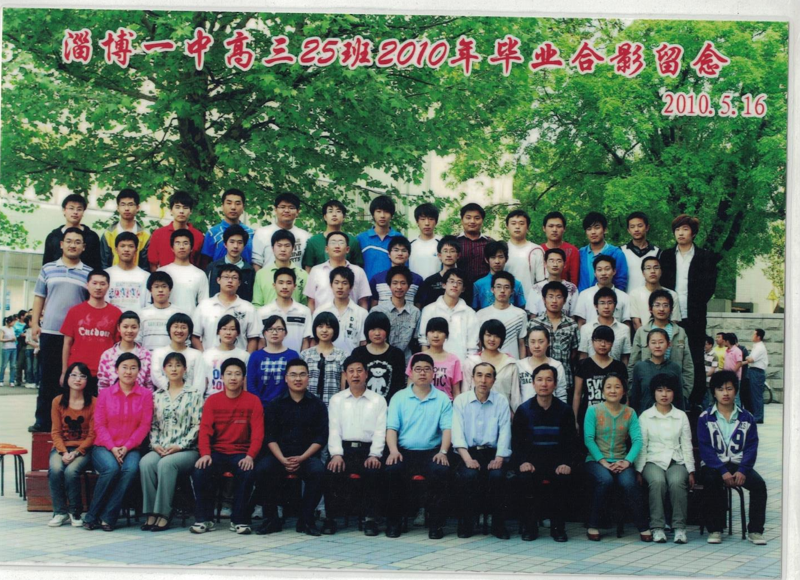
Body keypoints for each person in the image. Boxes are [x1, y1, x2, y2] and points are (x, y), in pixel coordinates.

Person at [255, 359, 328, 536]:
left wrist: (302, 458)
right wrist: (282, 459)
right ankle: (271, 519)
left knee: (318, 471)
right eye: (293, 375)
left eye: (302, 374)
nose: (298, 379)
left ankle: (306, 519)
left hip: (306, 456)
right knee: (263, 469)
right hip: (279, 455)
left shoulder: (317, 405)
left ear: (308, 378)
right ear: (286, 378)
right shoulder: (275, 404)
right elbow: (270, 436)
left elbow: (321, 437)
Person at [384, 353, 453, 540]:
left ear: (433, 373)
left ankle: (436, 525)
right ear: (411, 373)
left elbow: (447, 429)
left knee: (441, 470)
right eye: (418, 369)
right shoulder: (399, 397)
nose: (422, 373)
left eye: (426, 369)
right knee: (392, 470)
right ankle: (394, 523)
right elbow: (391, 428)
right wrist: (393, 451)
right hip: (404, 452)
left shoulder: (442, 399)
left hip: (432, 452)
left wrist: (443, 452)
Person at [191, 358, 263, 535]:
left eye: (237, 374)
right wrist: (205, 454)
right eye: (229, 374)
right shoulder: (212, 401)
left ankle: (239, 520)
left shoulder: (253, 401)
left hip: (241, 453)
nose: (233, 378)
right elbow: (205, 431)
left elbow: (258, 433)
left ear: (243, 378)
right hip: (217, 452)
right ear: (222, 377)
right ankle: (204, 519)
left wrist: (250, 456)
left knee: (247, 472)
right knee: (200, 470)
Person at [30, 227, 92, 432]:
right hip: (50, 332)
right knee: (47, 378)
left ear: (84, 247)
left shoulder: (88, 273)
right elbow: (39, 296)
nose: (73, 245)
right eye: (69, 241)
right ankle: (43, 421)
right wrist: (35, 323)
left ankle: (69, 422)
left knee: (72, 380)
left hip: (76, 336)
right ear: (61, 244)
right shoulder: (48, 269)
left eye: (77, 242)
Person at [83, 353, 154, 531]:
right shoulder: (105, 394)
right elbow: (99, 425)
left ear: (139, 371)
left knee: (130, 470)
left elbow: (144, 426)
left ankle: (108, 517)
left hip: (132, 448)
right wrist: (113, 447)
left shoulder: (146, 395)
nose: (128, 372)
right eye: (124, 367)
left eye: (133, 368)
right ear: (116, 370)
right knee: (111, 469)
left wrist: (127, 447)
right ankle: (92, 515)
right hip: (104, 447)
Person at [698, 371, 768, 545]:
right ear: (714, 392)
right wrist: (722, 470)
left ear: (735, 391)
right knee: (711, 480)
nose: (725, 393)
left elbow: (751, 446)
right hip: (714, 465)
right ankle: (715, 529)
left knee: (759, 485)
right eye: (720, 389)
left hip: (738, 464)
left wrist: (743, 469)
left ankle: (755, 531)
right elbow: (705, 448)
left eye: (729, 388)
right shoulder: (705, 417)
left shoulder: (747, 417)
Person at [323, 355, 387, 536]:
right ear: (345, 375)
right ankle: (331, 518)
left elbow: (380, 430)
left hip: (368, 450)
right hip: (344, 449)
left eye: (359, 371)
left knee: (374, 472)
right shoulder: (337, 399)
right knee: (331, 470)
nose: (355, 375)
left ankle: (370, 519)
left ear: (366, 374)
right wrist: (336, 454)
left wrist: (375, 454)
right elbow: (334, 429)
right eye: (351, 371)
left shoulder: (378, 400)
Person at [139, 352, 204, 532]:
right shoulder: (157, 395)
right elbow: (153, 425)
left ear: (185, 369)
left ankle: (164, 513)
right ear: (164, 369)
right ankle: (151, 512)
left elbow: (197, 425)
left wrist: (180, 446)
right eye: (169, 365)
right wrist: (155, 445)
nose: (174, 369)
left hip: (187, 450)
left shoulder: (194, 394)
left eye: (178, 365)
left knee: (166, 464)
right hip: (161, 447)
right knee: (146, 463)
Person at [583, 373, 651, 542]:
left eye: (617, 387)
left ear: (624, 391)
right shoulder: (593, 411)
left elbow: (637, 440)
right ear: (602, 391)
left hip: (621, 460)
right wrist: (603, 461)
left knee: (629, 483)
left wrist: (627, 461)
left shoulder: (630, 413)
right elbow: (588, 439)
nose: (612, 390)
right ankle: (593, 525)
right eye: (608, 387)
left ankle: (643, 526)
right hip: (596, 460)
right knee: (605, 480)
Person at [513, 364, 577, 542]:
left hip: (556, 463)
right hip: (532, 463)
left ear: (555, 384)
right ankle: (530, 527)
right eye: (539, 380)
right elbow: (517, 443)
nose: (544, 384)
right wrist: (523, 462)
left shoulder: (565, 411)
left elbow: (571, 442)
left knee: (563, 479)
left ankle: (558, 528)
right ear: (533, 383)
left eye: (549, 380)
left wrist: (566, 463)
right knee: (525, 479)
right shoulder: (524, 410)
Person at [660, 214, 719, 405]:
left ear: (693, 233)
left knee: (695, 358)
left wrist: (696, 304)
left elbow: (709, 287)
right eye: (677, 229)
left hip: (694, 316)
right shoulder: (666, 256)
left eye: (685, 229)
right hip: (670, 316)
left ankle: (695, 401)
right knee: (668, 355)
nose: (680, 233)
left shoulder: (705, 257)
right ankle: (668, 397)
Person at [453, 362, 512, 539]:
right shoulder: (461, 400)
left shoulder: (501, 401)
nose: (483, 380)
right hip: (468, 452)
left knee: (498, 476)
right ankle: (467, 523)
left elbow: (505, 431)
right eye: (479, 375)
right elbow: (457, 433)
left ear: (494, 380)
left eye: (488, 376)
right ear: (473, 378)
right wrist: (467, 459)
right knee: (469, 476)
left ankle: (498, 525)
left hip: (493, 453)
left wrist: (500, 457)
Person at [634, 373, 695, 544]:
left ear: (674, 393)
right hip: (652, 461)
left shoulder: (681, 416)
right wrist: (638, 470)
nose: (664, 394)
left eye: (668, 390)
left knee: (677, 482)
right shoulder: (645, 416)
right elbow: (642, 445)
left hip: (676, 460)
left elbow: (686, 445)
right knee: (658, 482)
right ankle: (657, 527)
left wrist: (691, 470)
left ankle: (679, 528)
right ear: (654, 392)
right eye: (660, 390)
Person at [47, 362, 95, 528]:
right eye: (73, 375)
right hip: (62, 448)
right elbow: (56, 432)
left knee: (71, 471)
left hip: (83, 449)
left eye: (82, 376)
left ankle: (75, 511)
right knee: (55, 469)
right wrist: (63, 452)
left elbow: (92, 435)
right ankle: (60, 512)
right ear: (67, 378)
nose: (77, 379)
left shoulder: (94, 402)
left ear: (87, 380)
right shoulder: (58, 401)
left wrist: (76, 452)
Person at [60, 270, 123, 395]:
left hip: (105, 374)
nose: (98, 287)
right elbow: (67, 343)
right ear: (87, 285)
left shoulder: (116, 313)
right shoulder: (75, 311)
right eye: (94, 283)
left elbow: (118, 346)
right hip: (78, 373)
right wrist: (64, 372)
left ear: (108, 286)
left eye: (102, 284)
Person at [628, 289, 694, 391]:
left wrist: (685, 392)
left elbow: (688, 365)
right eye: (657, 305)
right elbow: (633, 363)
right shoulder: (642, 332)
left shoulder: (680, 332)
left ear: (671, 309)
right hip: (647, 388)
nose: (661, 309)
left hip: (673, 388)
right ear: (650, 308)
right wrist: (632, 390)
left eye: (665, 305)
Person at [191, 264, 260, 352]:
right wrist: (204, 356)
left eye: (234, 278)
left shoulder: (248, 308)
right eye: (226, 277)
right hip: (211, 358)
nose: (230, 281)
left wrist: (247, 357)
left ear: (239, 282)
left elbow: (253, 338)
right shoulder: (204, 306)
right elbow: (195, 336)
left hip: (238, 358)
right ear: (218, 280)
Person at [573, 325, 628, 431]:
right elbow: (577, 394)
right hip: (588, 417)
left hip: (613, 417)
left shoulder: (619, 366)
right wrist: (574, 419)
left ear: (612, 343)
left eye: (607, 341)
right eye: (599, 340)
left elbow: (624, 395)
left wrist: (625, 419)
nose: (603, 344)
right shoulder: (583, 364)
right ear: (592, 342)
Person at [531, 282, 579, 397]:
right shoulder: (534, 323)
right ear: (544, 299)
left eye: (558, 297)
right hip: (540, 382)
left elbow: (574, 354)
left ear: (565, 300)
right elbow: (530, 351)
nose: (554, 301)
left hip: (565, 380)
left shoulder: (572, 325)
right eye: (550, 296)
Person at [418, 268, 479, 360]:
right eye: (451, 281)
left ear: (463, 289)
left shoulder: (470, 313)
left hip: (460, 364)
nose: (455, 285)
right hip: (434, 364)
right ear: (444, 285)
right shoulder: (429, 310)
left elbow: (472, 347)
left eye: (459, 282)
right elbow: (424, 342)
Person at [462, 320, 521, 412]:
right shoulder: (471, 362)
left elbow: (515, 396)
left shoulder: (510, 363)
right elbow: (465, 391)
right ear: (482, 336)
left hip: (502, 413)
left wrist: (516, 415)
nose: (492, 339)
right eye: (488, 335)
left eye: (496, 336)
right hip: (475, 413)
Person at [305, 232, 371, 312]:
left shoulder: (358, 271)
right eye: (333, 242)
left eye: (341, 242)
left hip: (351, 317)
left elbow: (363, 301)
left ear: (347, 249)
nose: (337, 246)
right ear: (326, 249)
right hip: (322, 318)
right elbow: (311, 301)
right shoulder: (316, 271)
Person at [246, 315, 300, 409]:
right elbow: (250, 384)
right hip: (260, 407)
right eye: (270, 329)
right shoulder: (255, 356)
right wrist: (261, 403)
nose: (274, 332)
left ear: (285, 333)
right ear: (264, 333)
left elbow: (295, 382)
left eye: (279, 329)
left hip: (286, 407)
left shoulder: (293, 355)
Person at [313, 267, 369, 355]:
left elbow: (363, 343)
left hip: (352, 361)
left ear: (351, 286)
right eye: (336, 282)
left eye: (344, 283)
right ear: (331, 285)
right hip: (326, 360)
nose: (340, 287)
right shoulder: (320, 311)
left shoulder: (362, 313)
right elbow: (314, 341)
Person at [353, 311, 407, 402]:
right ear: (366, 331)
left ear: (387, 331)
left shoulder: (397, 354)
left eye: (381, 329)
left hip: (389, 404)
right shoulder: (358, 353)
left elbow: (399, 384)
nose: (377, 333)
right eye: (373, 329)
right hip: (362, 402)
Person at [630, 329, 686, 414]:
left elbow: (679, 399)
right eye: (653, 342)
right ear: (647, 345)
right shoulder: (640, 367)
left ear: (668, 344)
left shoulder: (675, 368)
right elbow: (635, 397)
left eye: (661, 342)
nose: (657, 346)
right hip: (644, 416)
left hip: (669, 417)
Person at [256, 267, 312, 353]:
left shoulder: (304, 311)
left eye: (289, 283)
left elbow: (306, 341)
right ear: (274, 285)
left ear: (294, 286)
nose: (285, 287)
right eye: (281, 283)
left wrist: (301, 360)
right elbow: (261, 341)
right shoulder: (262, 312)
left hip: (296, 360)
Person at [372, 265, 421, 362]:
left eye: (403, 283)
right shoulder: (377, 311)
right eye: (395, 283)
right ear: (389, 285)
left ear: (409, 286)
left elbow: (416, 341)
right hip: (382, 361)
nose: (399, 287)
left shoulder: (415, 312)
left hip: (406, 362)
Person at [42, 193, 102, 270]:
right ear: (64, 210)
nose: (75, 212)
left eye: (79, 209)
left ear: (83, 212)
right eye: (71, 208)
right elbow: (46, 264)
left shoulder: (92, 237)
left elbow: (96, 265)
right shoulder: (53, 237)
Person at [406, 317, 461, 401]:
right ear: (426, 334)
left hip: (445, 404)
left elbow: (456, 392)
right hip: (420, 403)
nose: (435, 335)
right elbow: (409, 388)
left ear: (446, 335)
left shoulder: (454, 360)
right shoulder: (416, 358)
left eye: (440, 332)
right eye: (432, 331)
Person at [147, 191, 204, 271]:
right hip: (164, 277)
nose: (181, 211)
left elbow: (200, 264)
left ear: (190, 211)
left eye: (185, 207)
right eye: (177, 207)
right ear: (171, 210)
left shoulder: (198, 236)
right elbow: (153, 264)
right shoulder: (158, 234)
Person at [252, 192, 310, 270]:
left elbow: (308, 265)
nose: (286, 210)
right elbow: (256, 263)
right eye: (282, 207)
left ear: (297, 211)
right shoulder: (261, 233)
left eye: (291, 208)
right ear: (275, 210)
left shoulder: (305, 236)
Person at [476, 272, 528, 360]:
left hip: (511, 363)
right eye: (498, 287)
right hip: (487, 365)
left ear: (512, 291)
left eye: (506, 287)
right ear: (492, 289)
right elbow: (479, 344)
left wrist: (521, 364)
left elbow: (521, 343)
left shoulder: (520, 314)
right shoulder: (481, 314)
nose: (502, 290)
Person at [158, 230, 209, 317]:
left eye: (185, 243)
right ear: (172, 248)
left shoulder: (200, 274)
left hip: (190, 321)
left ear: (191, 248)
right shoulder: (162, 272)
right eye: (177, 243)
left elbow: (204, 305)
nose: (181, 247)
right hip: (165, 320)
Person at [97, 311, 153, 391]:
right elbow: (103, 385)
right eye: (125, 327)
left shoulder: (147, 355)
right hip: (113, 398)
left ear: (139, 328)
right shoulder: (107, 355)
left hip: (139, 398)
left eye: (134, 327)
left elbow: (149, 385)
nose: (129, 331)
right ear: (118, 328)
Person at [302, 199, 364, 271]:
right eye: (330, 211)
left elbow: (357, 268)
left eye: (338, 211)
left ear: (343, 217)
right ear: (325, 217)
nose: (334, 214)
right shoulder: (313, 241)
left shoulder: (352, 241)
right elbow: (308, 269)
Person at [252, 230, 309, 308]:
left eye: (287, 246)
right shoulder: (261, 274)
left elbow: (304, 304)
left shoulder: (303, 274)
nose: (283, 249)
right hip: (268, 315)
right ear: (272, 248)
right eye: (279, 245)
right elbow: (257, 304)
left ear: (293, 248)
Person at [300, 312, 347, 406]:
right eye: (320, 326)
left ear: (335, 330)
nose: (324, 330)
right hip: (308, 406)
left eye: (329, 327)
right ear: (315, 329)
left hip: (333, 406)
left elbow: (343, 387)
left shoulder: (342, 355)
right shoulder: (305, 355)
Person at [151, 313, 206, 392]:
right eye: (176, 327)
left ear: (189, 331)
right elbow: (156, 377)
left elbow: (199, 382)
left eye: (183, 327)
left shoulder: (197, 355)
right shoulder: (158, 353)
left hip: (191, 398)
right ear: (169, 329)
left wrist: (190, 396)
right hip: (165, 396)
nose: (179, 330)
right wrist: (173, 392)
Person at [416, 235, 473, 308]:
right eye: (445, 251)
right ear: (439, 255)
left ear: (458, 255)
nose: (448, 255)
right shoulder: (430, 281)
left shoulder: (465, 279)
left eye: (452, 251)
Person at [573, 255, 631, 328]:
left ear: (614, 271)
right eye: (599, 270)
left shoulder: (624, 297)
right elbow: (581, 322)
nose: (603, 273)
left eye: (607, 269)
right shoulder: (584, 295)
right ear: (595, 273)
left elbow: (626, 324)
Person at [200, 188, 255, 266]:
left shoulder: (251, 233)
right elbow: (205, 263)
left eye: (237, 203)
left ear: (243, 207)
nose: (233, 207)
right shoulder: (212, 233)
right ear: (222, 206)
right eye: (229, 203)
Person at [578, 287, 631, 365]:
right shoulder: (586, 328)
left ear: (615, 305)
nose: (606, 306)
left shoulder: (624, 329)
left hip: (615, 371)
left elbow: (625, 358)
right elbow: (583, 356)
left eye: (610, 303)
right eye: (602, 303)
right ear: (596, 306)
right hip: (591, 371)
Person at [201, 315, 250, 398]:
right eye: (224, 329)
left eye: (232, 329)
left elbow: (245, 383)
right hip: (211, 398)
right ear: (218, 332)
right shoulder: (207, 355)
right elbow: (204, 381)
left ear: (238, 333)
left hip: (236, 399)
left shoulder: (244, 355)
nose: (228, 333)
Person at [99, 189, 150, 269]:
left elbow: (145, 266)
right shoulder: (108, 234)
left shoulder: (145, 236)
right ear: (118, 208)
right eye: (123, 204)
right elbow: (104, 264)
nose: (126, 208)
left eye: (130, 204)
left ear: (137, 208)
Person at [577, 212, 628, 292]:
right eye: (589, 229)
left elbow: (621, 282)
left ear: (605, 230)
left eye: (597, 227)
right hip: (583, 298)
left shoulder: (616, 254)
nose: (593, 232)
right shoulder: (580, 253)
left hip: (607, 298)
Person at [505, 209, 546, 306]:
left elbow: (541, 281)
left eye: (521, 223)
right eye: (513, 223)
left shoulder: (536, 250)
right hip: (505, 302)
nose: (517, 226)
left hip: (529, 302)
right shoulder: (501, 249)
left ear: (527, 227)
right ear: (507, 226)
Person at [205, 224, 256, 302]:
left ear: (244, 246)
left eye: (239, 242)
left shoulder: (249, 271)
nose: (235, 246)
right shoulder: (213, 268)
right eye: (232, 242)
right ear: (225, 244)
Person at [518, 326, 567, 405]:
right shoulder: (519, 365)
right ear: (527, 343)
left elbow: (561, 394)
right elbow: (515, 394)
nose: (536, 346)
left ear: (548, 343)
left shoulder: (556, 366)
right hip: (525, 411)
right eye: (532, 342)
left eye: (541, 342)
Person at [357, 195, 402, 280]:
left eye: (386, 212)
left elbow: (404, 266)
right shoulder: (361, 238)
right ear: (373, 214)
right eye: (378, 211)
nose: (382, 215)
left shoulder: (399, 238)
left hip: (392, 286)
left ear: (391, 215)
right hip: (367, 286)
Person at [629, 256, 681, 330]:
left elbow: (674, 321)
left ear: (661, 271)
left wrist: (663, 336)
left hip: (667, 335)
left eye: (656, 268)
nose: (652, 271)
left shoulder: (672, 294)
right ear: (643, 273)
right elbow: (636, 322)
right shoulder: (635, 294)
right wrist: (645, 336)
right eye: (648, 268)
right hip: (644, 335)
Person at [472, 241, 527, 310]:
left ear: (506, 259)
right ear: (486, 260)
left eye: (501, 257)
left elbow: (521, 309)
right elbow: (475, 309)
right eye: (493, 257)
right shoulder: (478, 285)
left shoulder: (516, 284)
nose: (497, 261)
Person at [369, 236, 423, 306]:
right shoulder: (377, 279)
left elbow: (418, 305)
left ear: (409, 255)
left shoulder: (417, 279)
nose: (400, 253)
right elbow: (374, 304)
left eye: (404, 251)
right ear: (389, 254)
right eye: (396, 250)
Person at [105, 232, 150, 314]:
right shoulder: (106, 275)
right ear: (116, 250)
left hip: (136, 320)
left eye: (131, 246)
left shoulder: (145, 276)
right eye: (122, 246)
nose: (126, 249)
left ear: (136, 250)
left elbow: (147, 305)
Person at [139, 272, 185, 351]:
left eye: (164, 286)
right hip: (147, 357)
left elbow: (185, 341)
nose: (160, 290)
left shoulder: (179, 314)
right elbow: (137, 341)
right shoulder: (142, 314)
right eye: (156, 287)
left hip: (172, 357)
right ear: (150, 290)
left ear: (170, 289)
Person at [528, 248, 579, 318]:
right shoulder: (535, 288)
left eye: (559, 261)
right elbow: (532, 315)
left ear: (564, 264)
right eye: (551, 261)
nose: (555, 264)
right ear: (545, 264)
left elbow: (573, 315)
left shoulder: (572, 288)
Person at [620, 212, 660, 293]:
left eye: (640, 226)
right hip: (628, 298)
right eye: (632, 227)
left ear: (647, 227)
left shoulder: (657, 252)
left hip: (651, 298)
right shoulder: (621, 251)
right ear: (628, 230)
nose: (636, 229)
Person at [456, 202, 493, 285]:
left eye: (477, 218)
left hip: (485, 288)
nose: (472, 221)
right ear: (462, 220)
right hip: (459, 287)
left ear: (482, 221)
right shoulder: (454, 241)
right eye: (468, 218)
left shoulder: (490, 242)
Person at [540, 211, 579, 285]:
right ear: (544, 228)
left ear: (564, 229)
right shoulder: (538, 250)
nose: (554, 230)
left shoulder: (572, 251)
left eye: (559, 226)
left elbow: (574, 280)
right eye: (551, 226)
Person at [409, 203, 442, 280]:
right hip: (414, 285)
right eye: (423, 219)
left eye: (431, 219)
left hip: (435, 285)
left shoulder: (442, 243)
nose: (427, 223)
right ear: (417, 221)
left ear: (436, 222)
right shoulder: (409, 243)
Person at [746, 329, 769, 424]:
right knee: (753, 394)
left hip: (757, 372)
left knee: (757, 395)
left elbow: (751, 359)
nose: (752, 336)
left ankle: (758, 417)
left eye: (754, 334)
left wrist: (746, 357)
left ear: (758, 337)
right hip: (753, 371)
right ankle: (756, 415)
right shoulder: (756, 346)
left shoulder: (759, 347)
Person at [0, 317, 18, 388]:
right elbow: (1, 339)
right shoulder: (3, 329)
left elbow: (15, 337)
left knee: (13, 365)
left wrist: (14, 339)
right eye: (13, 322)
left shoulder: (13, 328)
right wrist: (9, 340)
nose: (13, 323)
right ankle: (1, 380)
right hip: (6, 348)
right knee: (4, 365)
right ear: (9, 322)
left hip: (13, 348)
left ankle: (12, 381)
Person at [703, 335, 719, 407]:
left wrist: (704, 376)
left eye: (706, 344)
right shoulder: (703, 354)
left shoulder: (714, 355)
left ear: (710, 345)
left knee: (710, 400)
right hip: (703, 382)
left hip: (710, 381)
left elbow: (713, 369)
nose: (704, 346)